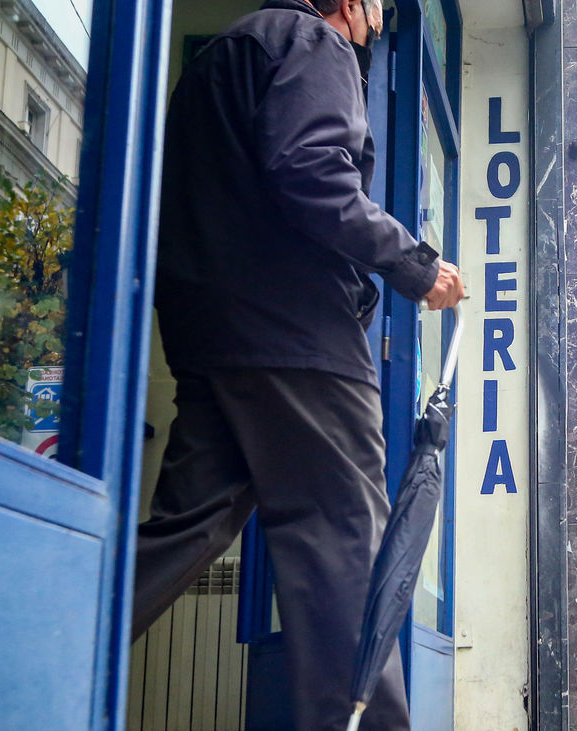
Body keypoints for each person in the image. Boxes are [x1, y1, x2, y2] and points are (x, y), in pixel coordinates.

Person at [132, 0, 465, 727]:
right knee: (346, 544)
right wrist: (416, 264)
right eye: (376, 8)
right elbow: (313, 173)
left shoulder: (218, 59)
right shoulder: (313, 41)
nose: (378, 22)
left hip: (213, 337)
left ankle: (44, 640)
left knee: (185, 529)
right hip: (299, 340)